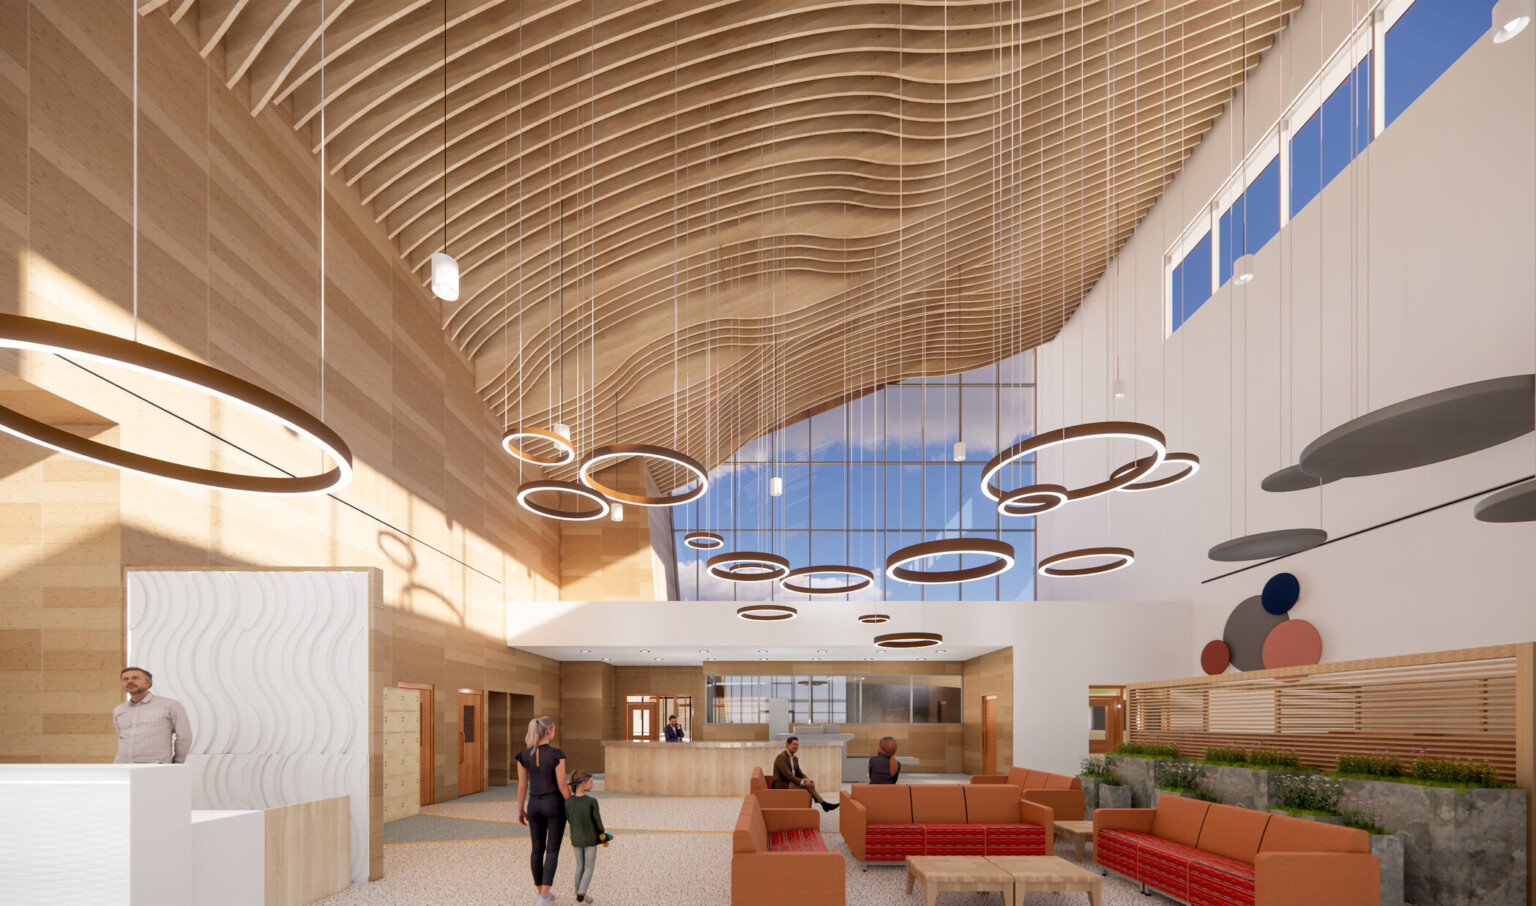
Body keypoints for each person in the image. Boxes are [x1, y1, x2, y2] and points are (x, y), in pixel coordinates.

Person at [516, 716, 571, 906]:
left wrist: (520, 809)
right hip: (554, 805)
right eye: (553, 729)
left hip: (534, 806)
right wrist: (571, 805)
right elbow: (562, 784)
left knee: (536, 850)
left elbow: (522, 786)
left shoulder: (523, 755)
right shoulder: (557, 754)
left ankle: (541, 892)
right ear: (548, 731)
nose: (554, 732)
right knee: (552, 850)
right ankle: (544, 897)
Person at [112, 667, 192, 765]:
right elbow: (121, 736)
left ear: (148, 683)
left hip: (155, 765)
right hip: (123, 765)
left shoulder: (170, 705)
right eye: (125, 679)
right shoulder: (119, 710)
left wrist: (177, 763)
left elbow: (184, 737)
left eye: (135, 678)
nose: (130, 681)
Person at [565, 770, 610, 903]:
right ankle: (581, 894)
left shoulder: (568, 802)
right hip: (590, 838)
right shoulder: (592, 802)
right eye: (591, 782)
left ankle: (579, 895)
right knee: (589, 867)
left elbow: (570, 820)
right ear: (583, 783)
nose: (593, 784)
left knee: (580, 866)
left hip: (576, 838)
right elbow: (598, 822)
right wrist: (602, 833)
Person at [771, 736, 838, 812]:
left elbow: (800, 773)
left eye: (797, 744)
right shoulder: (781, 758)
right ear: (788, 745)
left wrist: (809, 781)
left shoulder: (795, 758)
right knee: (807, 787)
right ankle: (822, 805)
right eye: (794, 744)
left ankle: (813, 809)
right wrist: (803, 783)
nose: (796, 746)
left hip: (792, 782)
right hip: (783, 784)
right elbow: (789, 775)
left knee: (808, 787)